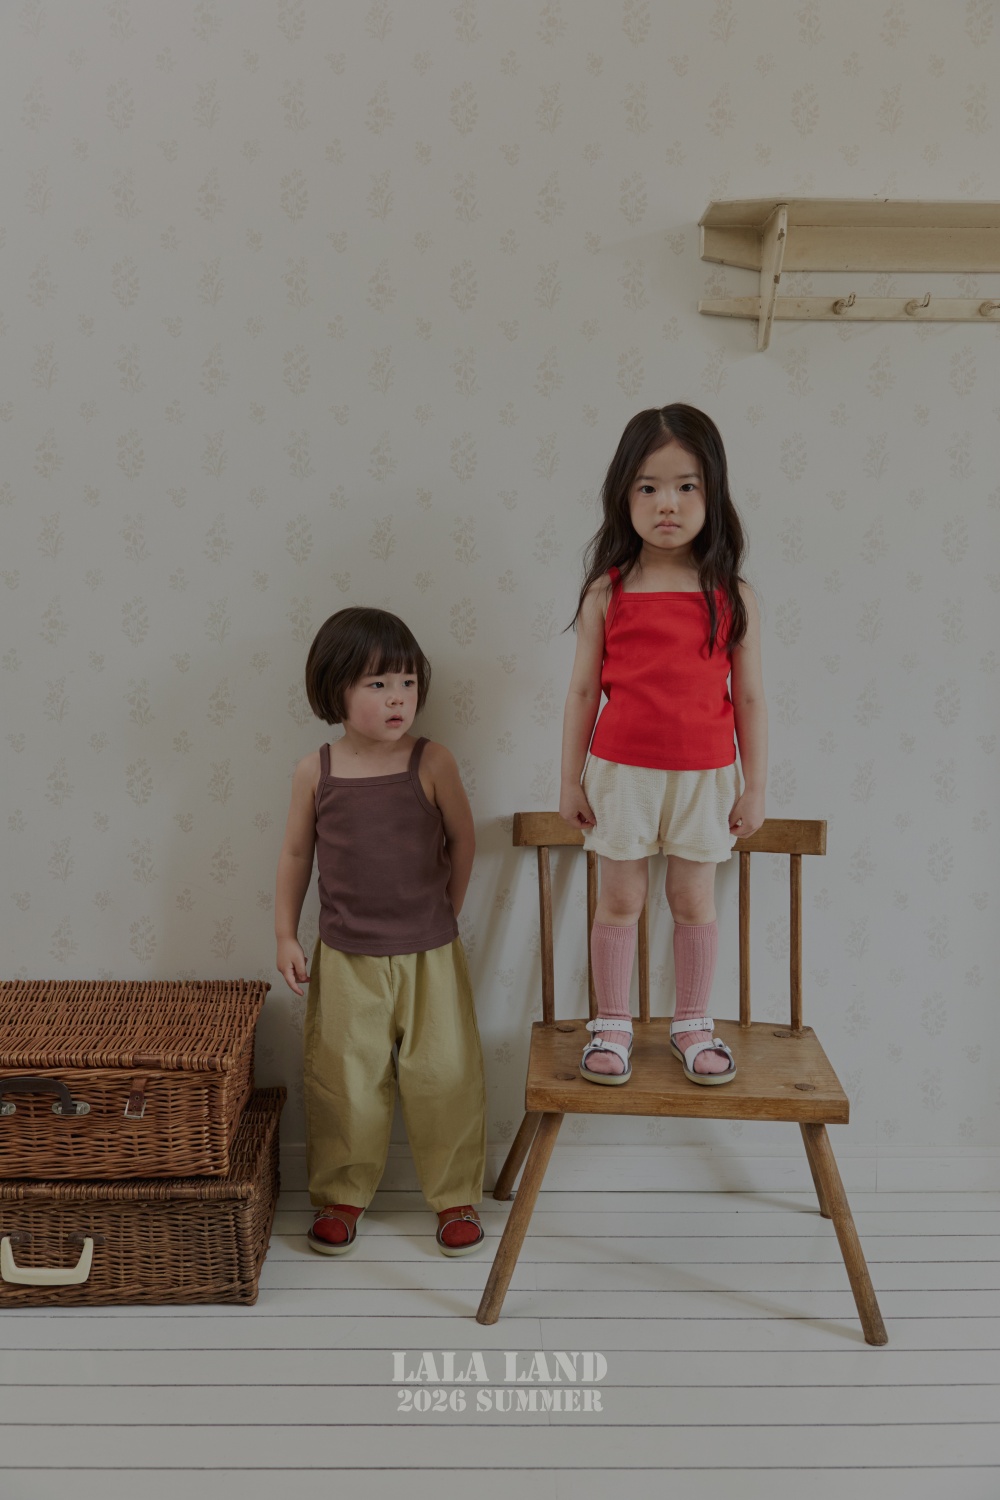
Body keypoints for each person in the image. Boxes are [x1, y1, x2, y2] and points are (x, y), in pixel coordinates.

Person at [559, 404, 767, 1086]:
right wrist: (569, 780)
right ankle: (612, 1024)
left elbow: (751, 699)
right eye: (648, 486)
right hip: (621, 774)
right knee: (620, 900)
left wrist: (756, 787)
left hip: (706, 776)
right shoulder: (607, 591)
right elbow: (582, 692)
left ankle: (692, 1024)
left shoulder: (731, 594)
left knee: (693, 901)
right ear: (624, 496)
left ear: (713, 494)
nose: (667, 503)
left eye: (686, 486)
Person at [275, 606, 487, 1256]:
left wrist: (445, 913)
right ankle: (341, 1193)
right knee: (345, 1080)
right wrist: (285, 935)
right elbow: (296, 855)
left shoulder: (432, 761)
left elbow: (463, 841)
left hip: (430, 956)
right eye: (377, 684)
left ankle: (455, 1196)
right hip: (345, 957)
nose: (398, 698)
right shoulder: (316, 771)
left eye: (407, 682)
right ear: (334, 688)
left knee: (444, 1075)